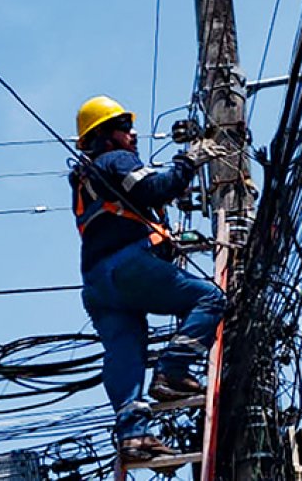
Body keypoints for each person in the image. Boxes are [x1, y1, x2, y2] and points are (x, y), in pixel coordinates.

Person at [70, 95, 227, 462]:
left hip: (96, 285)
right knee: (210, 298)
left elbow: (129, 210)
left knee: (125, 351)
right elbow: (154, 188)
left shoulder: (83, 181)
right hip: (127, 269)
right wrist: (190, 160)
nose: (134, 133)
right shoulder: (115, 159)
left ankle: (133, 438)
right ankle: (172, 371)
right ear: (106, 136)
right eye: (125, 127)